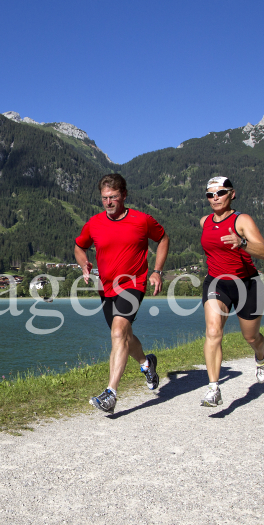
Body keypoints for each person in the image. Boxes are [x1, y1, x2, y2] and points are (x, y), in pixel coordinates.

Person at [75, 173, 169, 414]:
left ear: (124, 195)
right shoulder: (94, 223)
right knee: (123, 336)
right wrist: (83, 262)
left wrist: (157, 271)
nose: (108, 202)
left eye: (113, 197)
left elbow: (163, 238)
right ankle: (147, 363)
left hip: (133, 284)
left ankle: (110, 394)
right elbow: (79, 246)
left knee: (118, 332)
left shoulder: (142, 220)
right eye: (105, 198)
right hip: (105, 287)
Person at [198, 176, 264, 407]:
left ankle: (261, 357)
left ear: (232, 194)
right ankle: (213, 388)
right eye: (210, 194)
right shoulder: (204, 221)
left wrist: (242, 243)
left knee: (251, 336)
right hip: (216, 283)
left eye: (220, 193)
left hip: (247, 284)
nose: (215, 198)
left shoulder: (242, 220)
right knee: (213, 331)